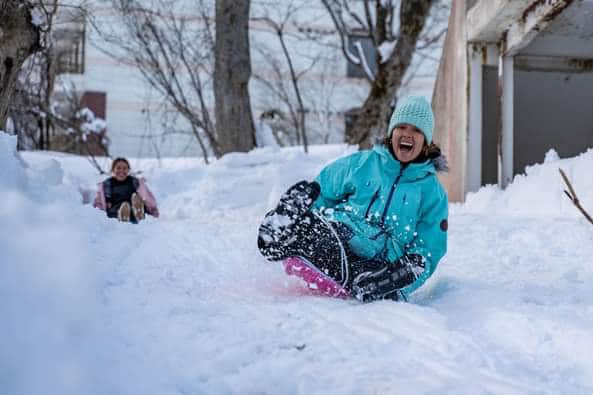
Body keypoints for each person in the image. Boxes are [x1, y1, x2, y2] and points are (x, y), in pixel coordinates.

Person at [257, 96, 448, 302]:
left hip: (382, 265)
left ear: (426, 141)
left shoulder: (432, 192)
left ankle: (311, 250)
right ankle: (283, 233)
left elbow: (429, 249)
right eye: (402, 126)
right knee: (315, 230)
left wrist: (401, 275)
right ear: (392, 131)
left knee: (349, 264)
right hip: (342, 235)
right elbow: (324, 191)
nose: (408, 134)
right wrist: (308, 203)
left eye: (417, 130)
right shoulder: (363, 163)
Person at [93, 157, 159, 222]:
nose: (121, 171)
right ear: (113, 170)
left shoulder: (135, 182)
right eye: (118, 168)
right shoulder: (107, 184)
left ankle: (138, 212)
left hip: (133, 207)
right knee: (119, 208)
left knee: (136, 202)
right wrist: (99, 214)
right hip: (116, 209)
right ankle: (123, 215)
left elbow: (147, 197)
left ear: (128, 170)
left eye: (124, 168)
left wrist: (153, 210)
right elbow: (99, 202)